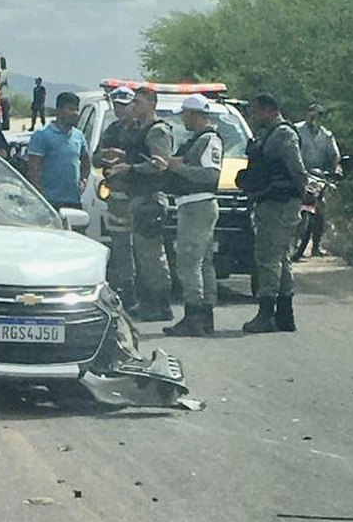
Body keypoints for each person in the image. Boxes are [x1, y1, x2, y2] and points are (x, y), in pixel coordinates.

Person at [235, 93, 309, 333]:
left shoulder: (282, 134)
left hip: (280, 204)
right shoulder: (268, 134)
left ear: (270, 110)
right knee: (280, 259)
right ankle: (284, 315)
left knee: (268, 259)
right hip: (270, 202)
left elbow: (297, 169)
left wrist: (303, 194)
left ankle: (266, 314)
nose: (253, 117)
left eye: (256, 112)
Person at [156, 94, 223, 337]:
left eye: (184, 114)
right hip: (195, 205)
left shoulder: (209, 140)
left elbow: (211, 174)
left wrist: (179, 167)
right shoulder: (199, 140)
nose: (183, 119)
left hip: (197, 205)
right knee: (203, 262)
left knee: (189, 262)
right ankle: (205, 317)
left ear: (194, 114)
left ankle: (194, 316)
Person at [107, 86, 174, 322]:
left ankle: (161, 304)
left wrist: (130, 168)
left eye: (138, 102)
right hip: (138, 198)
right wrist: (123, 158)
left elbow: (160, 165)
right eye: (133, 102)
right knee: (143, 255)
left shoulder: (157, 131)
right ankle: (149, 303)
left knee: (152, 255)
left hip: (150, 198)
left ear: (152, 104)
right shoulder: (140, 131)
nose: (133, 106)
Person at [96, 86, 139, 309]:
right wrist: (105, 156)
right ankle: (128, 290)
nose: (120, 109)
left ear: (133, 105)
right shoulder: (112, 130)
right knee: (121, 246)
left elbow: (149, 159)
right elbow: (95, 158)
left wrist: (124, 157)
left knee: (142, 247)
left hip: (139, 196)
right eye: (116, 106)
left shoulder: (143, 130)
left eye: (124, 105)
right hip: (116, 197)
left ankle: (147, 292)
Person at [26, 92, 90, 210]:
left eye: (76, 109)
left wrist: (84, 181)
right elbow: (33, 169)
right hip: (49, 202)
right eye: (70, 109)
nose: (75, 113)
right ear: (59, 111)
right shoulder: (42, 135)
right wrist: (41, 196)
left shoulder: (79, 136)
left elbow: (86, 162)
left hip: (73, 201)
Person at [294, 102, 342, 258]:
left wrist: (335, 170)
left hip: (317, 176)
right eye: (312, 114)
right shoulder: (296, 130)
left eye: (318, 115)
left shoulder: (326, 136)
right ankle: (291, 243)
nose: (314, 118)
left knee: (320, 211)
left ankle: (316, 246)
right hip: (298, 173)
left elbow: (335, 155)